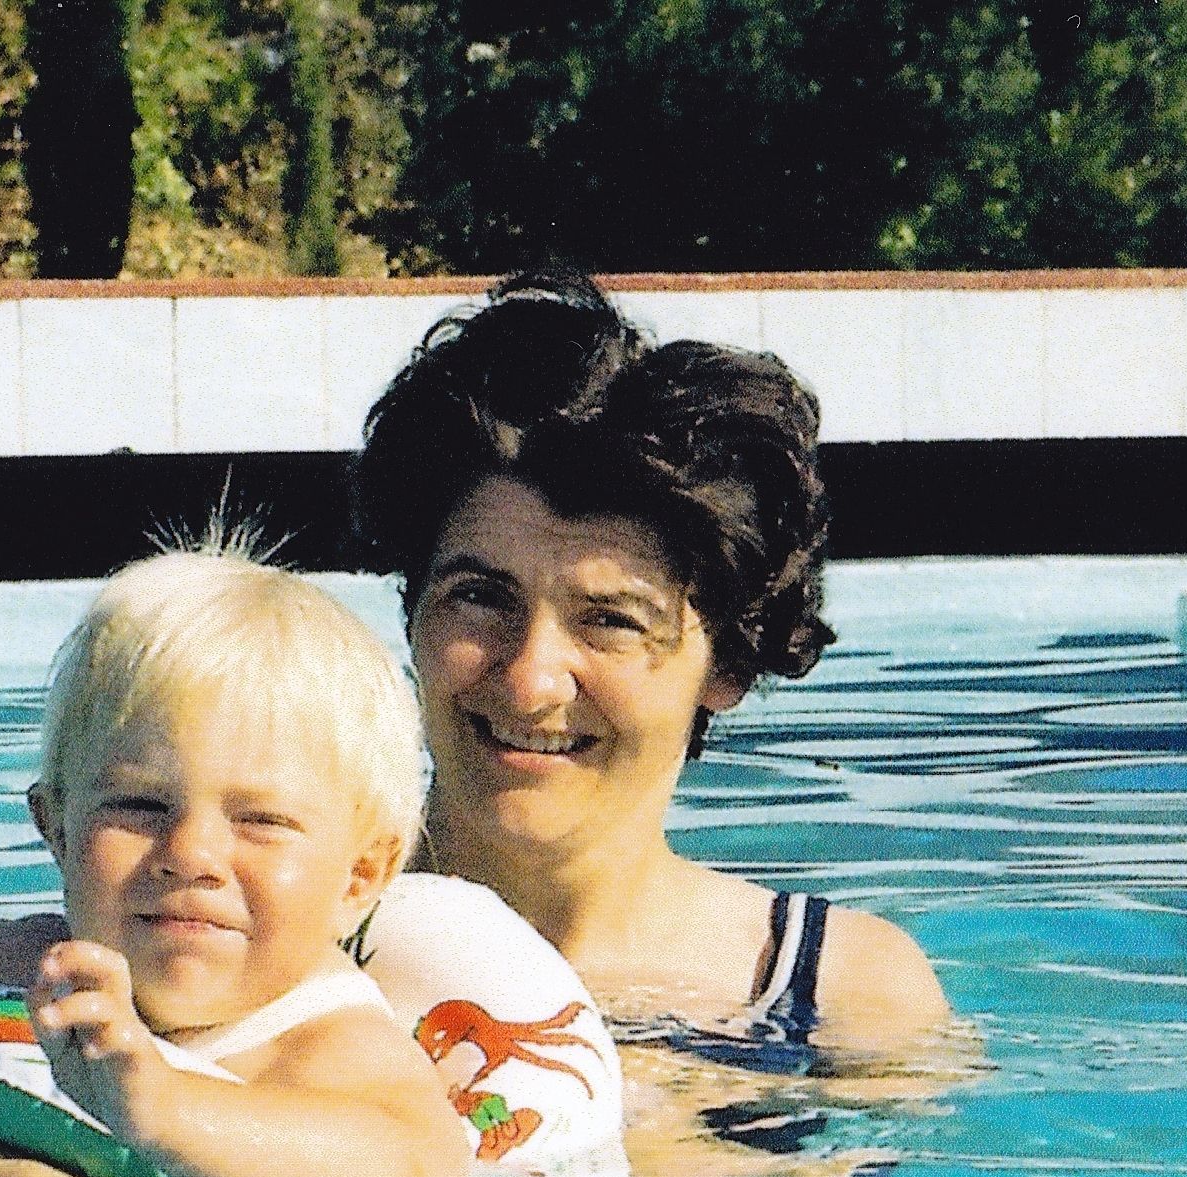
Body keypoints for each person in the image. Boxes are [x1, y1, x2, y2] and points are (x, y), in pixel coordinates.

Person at [0, 548, 466, 1177]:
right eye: (139, 805)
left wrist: (155, 1105)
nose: (190, 854)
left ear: (359, 876)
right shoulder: (26, 965)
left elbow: (418, 1161)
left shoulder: (325, 1042)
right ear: (54, 828)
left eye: (260, 820)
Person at [353, 270, 952, 1057]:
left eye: (609, 621)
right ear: (412, 610)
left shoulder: (841, 992)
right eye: (478, 598)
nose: (530, 681)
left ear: (729, 666)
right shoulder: (256, 938)